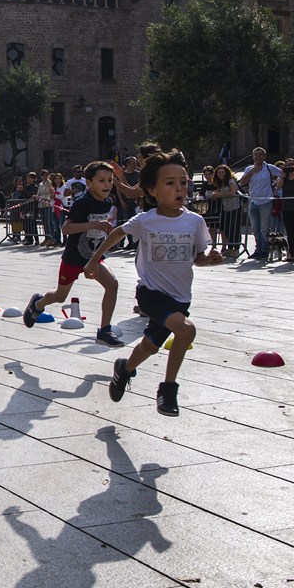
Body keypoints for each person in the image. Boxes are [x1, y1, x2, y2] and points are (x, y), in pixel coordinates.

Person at [86, 150, 222, 416]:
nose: (179, 188)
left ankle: (124, 369)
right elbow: (117, 233)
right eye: (170, 183)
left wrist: (210, 260)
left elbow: (197, 258)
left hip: (180, 298)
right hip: (151, 293)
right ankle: (168, 391)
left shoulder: (195, 221)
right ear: (152, 190)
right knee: (186, 331)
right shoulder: (146, 220)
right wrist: (94, 260)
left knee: (149, 345)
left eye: (183, 182)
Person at [23, 160, 123, 347]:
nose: (107, 185)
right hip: (73, 258)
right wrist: (93, 224)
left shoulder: (108, 202)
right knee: (60, 296)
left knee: (112, 284)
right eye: (102, 181)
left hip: (93, 256)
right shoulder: (82, 203)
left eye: (110, 180)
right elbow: (66, 229)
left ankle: (104, 330)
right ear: (89, 183)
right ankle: (37, 304)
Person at [238, 147, 281, 260]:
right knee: (255, 228)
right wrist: (253, 171)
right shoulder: (249, 169)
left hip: (266, 202)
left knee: (264, 228)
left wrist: (278, 187)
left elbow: (283, 174)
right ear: (253, 156)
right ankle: (258, 249)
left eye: (260, 154)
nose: (258, 156)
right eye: (256, 154)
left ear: (264, 156)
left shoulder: (269, 168)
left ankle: (266, 249)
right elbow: (242, 182)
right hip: (253, 201)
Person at [208, 165, 242, 255]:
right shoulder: (220, 182)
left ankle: (236, 248)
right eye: (219, 172)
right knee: (227, 228)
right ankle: (230, 248)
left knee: (235, 228)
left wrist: (219, 195)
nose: (220, 174)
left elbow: (233, 192)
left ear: (226, 173)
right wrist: (214, 194)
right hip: (225, 208)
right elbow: (218, 191)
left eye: (222, 172)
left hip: (235, 207)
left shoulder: (230, 180)